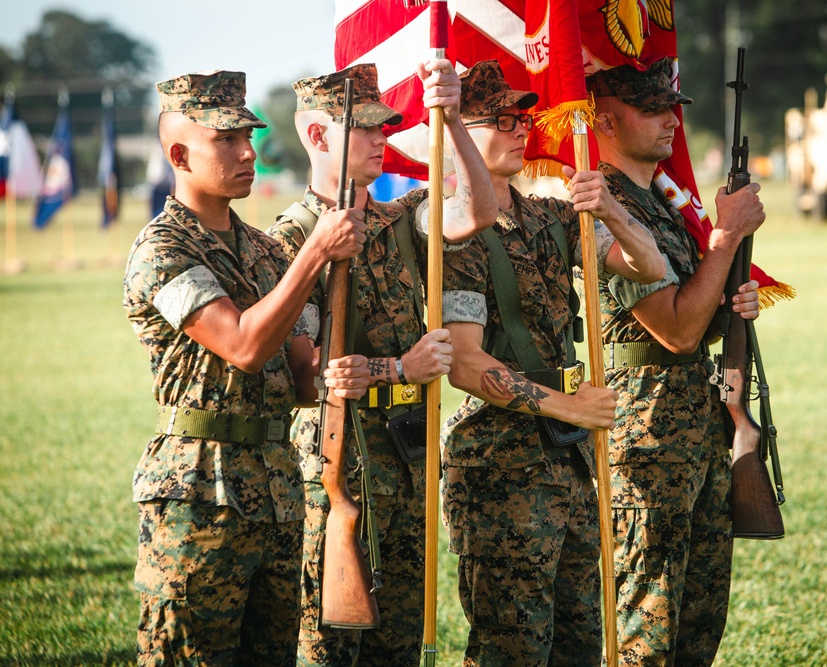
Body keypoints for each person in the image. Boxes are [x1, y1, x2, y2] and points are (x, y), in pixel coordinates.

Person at [123, 70, 370, 667]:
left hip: (277, 489)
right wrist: (316, 252)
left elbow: (300, 372)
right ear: (179, 154)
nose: (246, 151)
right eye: (226, 140)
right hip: (198, 495)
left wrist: (335, 375)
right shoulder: (162, 249)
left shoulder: (264, 251)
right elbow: (242, 345)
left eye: (248, 136)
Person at [266, 60, 497, 667]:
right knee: (332, 643)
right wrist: (398, 370)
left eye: (385, 126)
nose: (382, 139)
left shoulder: (402, 220)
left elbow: (476, 211)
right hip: (342, 458)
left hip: (409, 452)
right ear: (318, 136)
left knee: (398, 640)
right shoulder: (288, 242)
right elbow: (307, 375)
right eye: (364, 128)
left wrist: (454, 122)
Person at [439, 60, 666, 667]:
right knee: (512, 649)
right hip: (498, 464)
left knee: (577, 643)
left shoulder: (548, 217)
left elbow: (651, 268)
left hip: (563, 456)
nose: (523, 130)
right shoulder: (451, 231)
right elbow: (463, 361)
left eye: (525, 117)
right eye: (504, 120)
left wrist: (612, 210)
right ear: (461, 131)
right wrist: (571, 406)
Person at [584, 59, 766, 666]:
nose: (671, 120)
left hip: (693, 436)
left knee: (697, 627)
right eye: (653, 108)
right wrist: (726, 238)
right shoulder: (606, 210)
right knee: (646, 636)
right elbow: (677, 331)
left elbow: (700, 318)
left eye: (673, 106)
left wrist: (731, 302)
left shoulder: (662, 205)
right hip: (646, 446)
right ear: (605, 120)